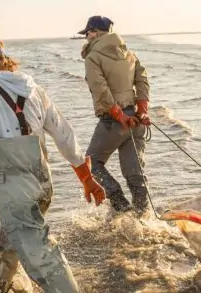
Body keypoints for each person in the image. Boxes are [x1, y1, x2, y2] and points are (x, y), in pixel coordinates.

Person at [0, 36, 107, 293]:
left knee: (42, 257)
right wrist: (86, 178)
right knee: (12, 241)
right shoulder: (34, 89)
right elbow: (65, 135)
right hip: (42, 185)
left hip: (16, 191)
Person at [78, 16, 152, 216]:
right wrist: (142, 110)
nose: (86, 37)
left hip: (114, 121)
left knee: (91, 165)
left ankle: (121, 206)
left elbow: (101, 90)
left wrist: (119, 116)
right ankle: (144, 216)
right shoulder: (130, 54)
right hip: (135, 120)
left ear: (95, 32)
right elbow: (143, 82)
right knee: (135, 173)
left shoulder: (93, 57)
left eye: (87, 33)